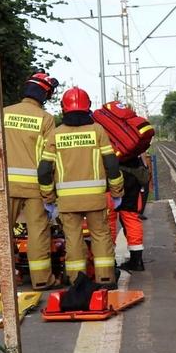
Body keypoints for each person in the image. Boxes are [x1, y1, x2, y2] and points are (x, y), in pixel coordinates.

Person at [0, 70, 61, 289]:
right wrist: (51, 191)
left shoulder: (3, 114)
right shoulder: (46, 119)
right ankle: (42, 279)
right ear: (44, 96)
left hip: (6, 184)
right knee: (38, 232)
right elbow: (49, 157)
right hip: (35, 187)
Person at [39, 87, 124, 287]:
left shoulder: (55, 134)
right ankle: (105, 279)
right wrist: (116, 191)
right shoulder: (97, 131)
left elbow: (44, 170)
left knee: (73, 239)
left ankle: (78, 281)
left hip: (67, 201)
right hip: (95, 198)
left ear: (63, 108)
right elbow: (111, 164)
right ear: (88, 107)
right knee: (100, 236)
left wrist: (48, 198)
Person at [109, 155, 148, 271]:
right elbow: (143, 156)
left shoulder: (103, 136)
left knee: (108, 219)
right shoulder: (132, 139)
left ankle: (108, 261)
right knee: (131, 217)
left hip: (111, 174)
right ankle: (136, 261)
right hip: (133, 174)